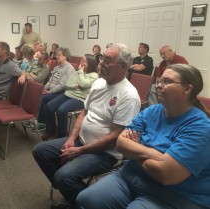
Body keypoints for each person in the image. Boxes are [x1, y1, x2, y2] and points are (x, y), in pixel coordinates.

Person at [76, 64, 210, 209]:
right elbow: (121, 142)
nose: (158, 85)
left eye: (166, 81)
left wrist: (134, 151)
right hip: (132, 176)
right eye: (159, 81)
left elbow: (166, 174)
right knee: (86, 199)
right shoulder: (152, 111)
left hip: (173, 195)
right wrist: (156, 154)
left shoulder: (200, 127)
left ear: (187, 89)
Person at [32, 43, 141, 209]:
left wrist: (79, 151)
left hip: (104, 153)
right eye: (102, 57)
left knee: (63, 177)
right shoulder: (98, 83)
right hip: (80, 141)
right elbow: (83, 113)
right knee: (40, 151)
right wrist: (71, 138)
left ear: (123, 66)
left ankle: (80, 200)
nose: (101, 62)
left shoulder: (129, 95)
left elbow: (115, 137)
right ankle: (72, 193)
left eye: (107, 60)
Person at [40, 54, 98, 141]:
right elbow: (67, 84)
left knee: (61, 110)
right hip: (68, 94)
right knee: (49, 106)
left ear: (91, 63)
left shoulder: (94, 75)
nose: (81, 62)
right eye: (81, 60)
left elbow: (83, 84)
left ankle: (62, 136)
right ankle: (51, 130)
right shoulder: (77, 72)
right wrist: (75, 86)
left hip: (80, 99)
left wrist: (81, 73)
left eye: (84, 61)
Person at [34, 47, 75, 132]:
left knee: (44, 100)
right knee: (40, 97)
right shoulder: (56, 67)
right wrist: (44, 89)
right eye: (56, 55)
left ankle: (49, 127)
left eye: (59, 55)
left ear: (65, 56)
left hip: (61, 93)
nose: (56, 56)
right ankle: (43, 123)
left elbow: (62, 85)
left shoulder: (69, 68)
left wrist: (49, 92)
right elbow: (50, 81)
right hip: (52, 92)